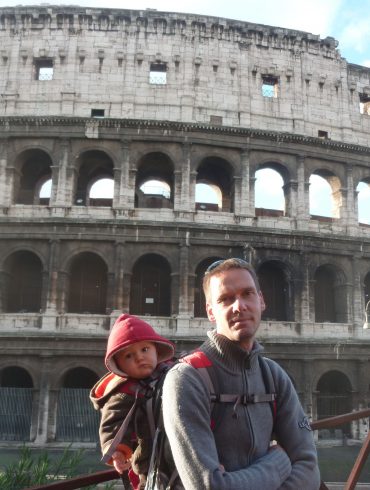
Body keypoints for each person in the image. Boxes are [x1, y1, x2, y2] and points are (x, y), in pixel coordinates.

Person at [162, 258, 321, 489]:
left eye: (247, 293)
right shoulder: (186, 379)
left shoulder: (274, 376)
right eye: (225, 299)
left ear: (261, 300)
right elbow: (209, 486)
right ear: (210, 312)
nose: (239, 306)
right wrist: (279, 463)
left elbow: (308, 467)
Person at [90, 313, 175, 490]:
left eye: (145, 350)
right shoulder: (124, 392)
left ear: (156, 350)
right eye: (129, 356)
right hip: (150, 463)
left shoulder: (173, 373)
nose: (139, 358)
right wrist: (118, 453)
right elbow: (113, 424)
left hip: (181, 453)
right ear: (119, 365)